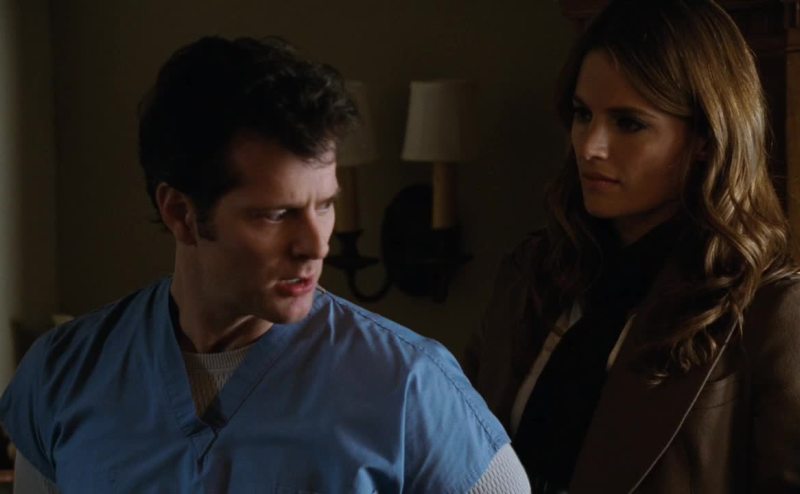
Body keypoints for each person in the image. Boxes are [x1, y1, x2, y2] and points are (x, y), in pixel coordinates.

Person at [0, 36, 530, 493]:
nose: (316, 246)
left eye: (325, 205)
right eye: (276, 215)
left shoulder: (409, 384)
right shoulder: (63, 373)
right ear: (181, 213)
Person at [464, 0, 800, 492]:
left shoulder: (771, 312)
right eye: (583, 114)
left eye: (629, 123)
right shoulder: (531, 274)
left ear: (706, 138)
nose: (589, 146)